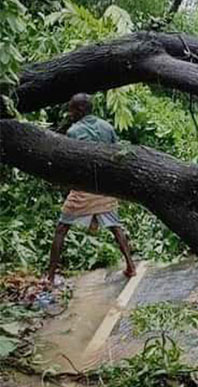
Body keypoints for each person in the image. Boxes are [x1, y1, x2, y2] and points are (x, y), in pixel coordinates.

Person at [47, 94, 136, 282]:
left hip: (84, 189)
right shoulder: (108, 127)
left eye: (71, 109)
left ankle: (50, 277)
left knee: (61, 229)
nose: (69, 113)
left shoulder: (73, 131)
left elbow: (72, 164)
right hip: (105, 188)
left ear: (79, 110)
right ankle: (131, 266)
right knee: (115, 227)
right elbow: (117, 155)